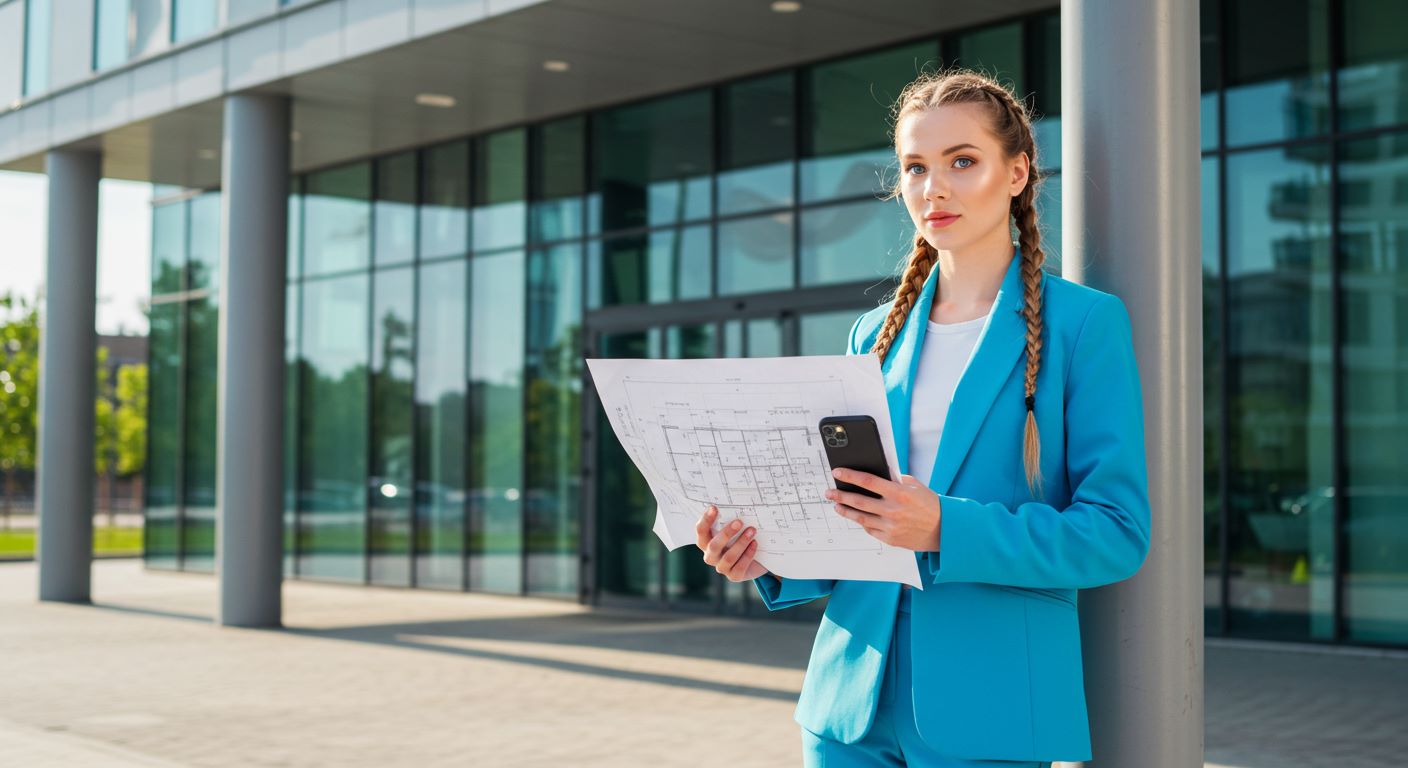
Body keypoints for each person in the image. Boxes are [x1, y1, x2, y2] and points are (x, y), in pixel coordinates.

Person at [694, 68, 1152, 767]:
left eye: (962, 162)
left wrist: (945, 525)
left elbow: (1116, 534)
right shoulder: (873, 334)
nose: (933, 188)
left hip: (989, 709)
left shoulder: (1082, 324)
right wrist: (765, 556)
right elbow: (853, 523)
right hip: (848, 710)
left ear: (1018, 172)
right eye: (915, 167)